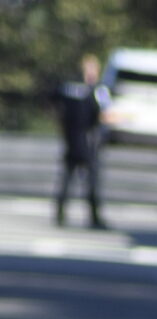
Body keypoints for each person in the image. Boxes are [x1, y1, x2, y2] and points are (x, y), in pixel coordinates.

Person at [52, 54, 109, 229]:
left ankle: (63, 214)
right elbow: (104, 114)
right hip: (86, 141)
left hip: (74, 140)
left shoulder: (68, 88)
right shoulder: (96, 90)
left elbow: (53, 104)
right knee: (87, 180)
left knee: (71, 178)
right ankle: (89, 217)